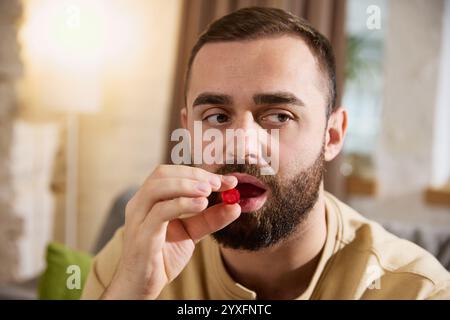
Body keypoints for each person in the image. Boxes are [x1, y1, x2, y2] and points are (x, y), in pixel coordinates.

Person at [81, 7, 450, 300]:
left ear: (332, 135)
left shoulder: (416, 290)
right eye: (217, 116)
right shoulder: (134, 256)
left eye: (278, 116)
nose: (242, 143)